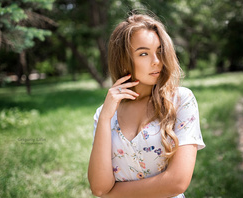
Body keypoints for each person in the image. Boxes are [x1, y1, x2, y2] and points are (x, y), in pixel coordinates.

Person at [88, 13, 205, 198]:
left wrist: (112, 195)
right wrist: (104, 118)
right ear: (123, 60)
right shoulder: (105, 114)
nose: (157, 61)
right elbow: (99, 187)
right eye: (143, 53)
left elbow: (177, 182)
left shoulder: (181, 100)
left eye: (159, 51)